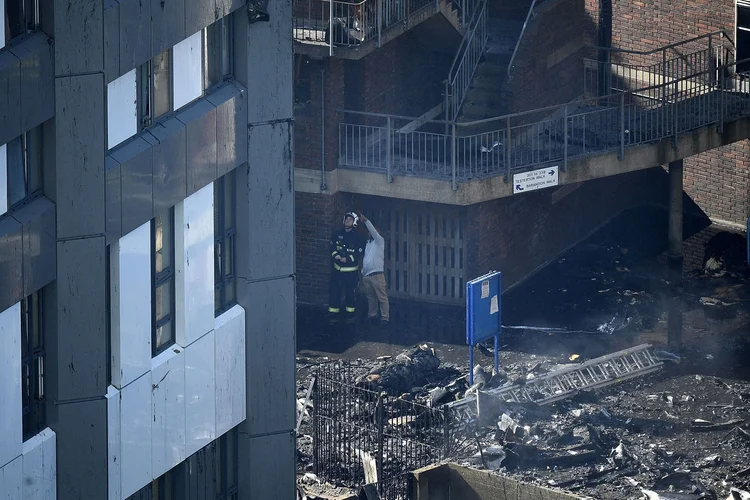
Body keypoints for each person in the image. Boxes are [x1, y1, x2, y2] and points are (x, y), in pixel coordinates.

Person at [328, 212, 365, 321]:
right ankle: (333, 314)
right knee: (334, 292)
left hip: (350, 272)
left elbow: (358, 253)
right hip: (337, 271)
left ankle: (350, 314)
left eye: (350, 219)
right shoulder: (337, 233)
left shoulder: (358, 237)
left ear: (354, 222)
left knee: (350, 293)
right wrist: (336, 256)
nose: (347, 220)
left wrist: (347, 259)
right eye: (346, 218)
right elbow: (332, 247)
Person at [358, 212, 389, 326]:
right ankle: (372, 315)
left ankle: (385, 318)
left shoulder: (379, 241)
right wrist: (363, 272)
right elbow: (367, 258)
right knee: (371, 297)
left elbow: (373, 232)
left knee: (382, 297)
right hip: (367, 275)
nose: (370, 233)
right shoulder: (368, 244)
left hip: (377, 275)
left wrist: (366, 221)